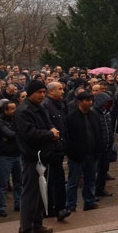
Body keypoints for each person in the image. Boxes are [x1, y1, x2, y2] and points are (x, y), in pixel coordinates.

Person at [15, 80, 59, 233]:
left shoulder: (40, 107)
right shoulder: (23, 111)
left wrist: (53, 129)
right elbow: (30, 134)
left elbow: (48, 123)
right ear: (30, 93)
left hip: (43, 155)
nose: (42, 95)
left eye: (43, 92)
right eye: (38, 92)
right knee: (30, 194)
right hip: (32, 157)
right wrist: (50, 134)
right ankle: (26, 228)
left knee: (41, 191)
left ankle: (37, 224)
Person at [65, 92, 103, 212]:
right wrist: (72, 152)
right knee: (73, 181)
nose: (90, 103)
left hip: (92, 153)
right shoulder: (71, 117)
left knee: (90, 180)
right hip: (77, 156)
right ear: (79, 102)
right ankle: (71, 205)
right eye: (87, 100)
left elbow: (98, 132)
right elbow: (68, 137)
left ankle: (89, 202)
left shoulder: (94, 115)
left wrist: (98, 148)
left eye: (91, 100)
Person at [41, 82, 70, 221]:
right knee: (51, 180)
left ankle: (60, 207)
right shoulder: (46, 105)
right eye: (59, 89)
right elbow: (49, 125)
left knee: (59, 179)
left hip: (60, 148)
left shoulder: (61, 105)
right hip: (51, 149)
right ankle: (51, 209)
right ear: (51, 91)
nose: (62, 92)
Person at [0, 99, 22, 217]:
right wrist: (17, 134)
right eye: (12, 109)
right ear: (5, 110)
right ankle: (1, 207)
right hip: (5, 156)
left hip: (17, 154)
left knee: (19, 182)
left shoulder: (17, 120)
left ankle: (18, 202)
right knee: (2, 184)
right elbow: (10, 134)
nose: (15, 111)